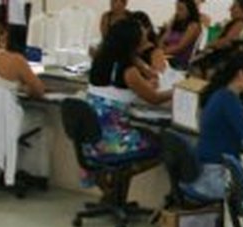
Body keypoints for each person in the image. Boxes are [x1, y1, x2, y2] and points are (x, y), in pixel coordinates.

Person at [84, 18, 169, 188]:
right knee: (164, 145)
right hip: (112, 142)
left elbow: (149, 76)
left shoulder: (101, 59)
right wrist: (180, 91)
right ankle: (118, 184)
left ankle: (113, 193)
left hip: (91, 140)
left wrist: (142, 71)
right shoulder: (128, 70)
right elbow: (154, 99)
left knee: (144, 133)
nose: (146, 36)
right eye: (142, 35)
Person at [186, 49, 243, 200]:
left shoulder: (220, 94)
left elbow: (228, 119)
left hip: (204, 171)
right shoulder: (230, 101)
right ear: (241, 74)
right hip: (214, 177)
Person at [159, 0, 202, 70]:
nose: (177, 12)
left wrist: (161, 53)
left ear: (189, 11)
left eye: (181, 9)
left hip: (178, 60)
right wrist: (170, 26)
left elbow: (180, 47)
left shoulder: (193, 26)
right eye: (176, 9)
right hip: (166, 56)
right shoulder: (176, 23)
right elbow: (162, 41)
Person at [131, 11, 168, 76]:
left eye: (138, 29)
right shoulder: (130, 47)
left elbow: (159, 75)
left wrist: (141, 65)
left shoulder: (155, 51)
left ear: (147, 29)